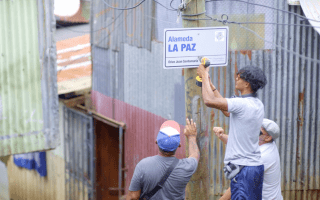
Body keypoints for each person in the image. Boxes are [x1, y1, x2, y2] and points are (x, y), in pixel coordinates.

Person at [197, 65, 267, 199]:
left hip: (244, 170)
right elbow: (227, 111)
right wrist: (210, 85)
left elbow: (209, 100)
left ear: (247, 83)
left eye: (239, 77)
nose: (236, 78)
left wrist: (204, 76)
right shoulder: (256, 104)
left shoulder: (243, 104)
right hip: (253, 167)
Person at [126, 118, 199, 200]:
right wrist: (192, 136)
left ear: (156, 141)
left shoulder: (142, 165)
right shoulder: (186, 167)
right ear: (179, 144)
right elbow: (194, 155)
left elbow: (133, 197)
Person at [214, 118, 283, 200]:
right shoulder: (263, 143)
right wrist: (222, 136)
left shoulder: (261, 156)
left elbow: (239, 183)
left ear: (268, 138)